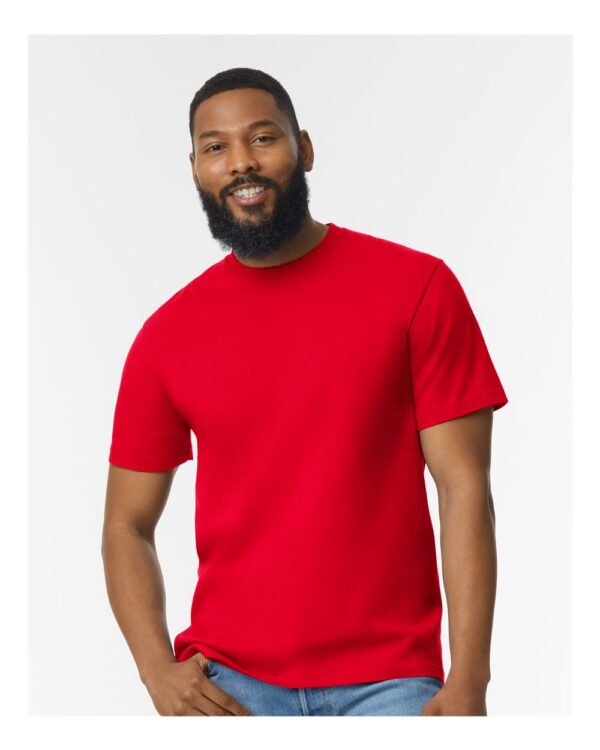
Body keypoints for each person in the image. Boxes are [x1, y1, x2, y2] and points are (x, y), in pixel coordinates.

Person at [102, 67, 509, 717]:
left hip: (391, 682)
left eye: (263, 138)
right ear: (196, 169)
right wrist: (156, 669)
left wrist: (470, 680)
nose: (241, 162)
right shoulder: (166, 335)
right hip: (228, 684)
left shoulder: (417, 288)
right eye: (216, 147)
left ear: (306, 148)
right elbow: (126, 524)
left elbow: (463, 488)